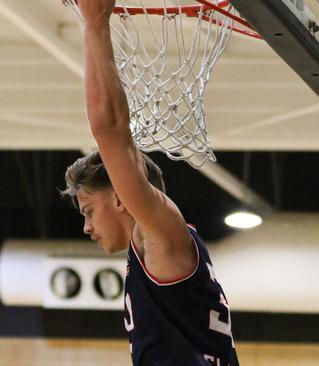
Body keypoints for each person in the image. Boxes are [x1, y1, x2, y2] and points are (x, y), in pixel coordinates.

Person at [61, 1, 239, 364]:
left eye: (90, 210)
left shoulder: (159, 235)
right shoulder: (151, 251)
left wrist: (95, 22)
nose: (86, 226)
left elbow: (110, 130)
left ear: (122, 198)